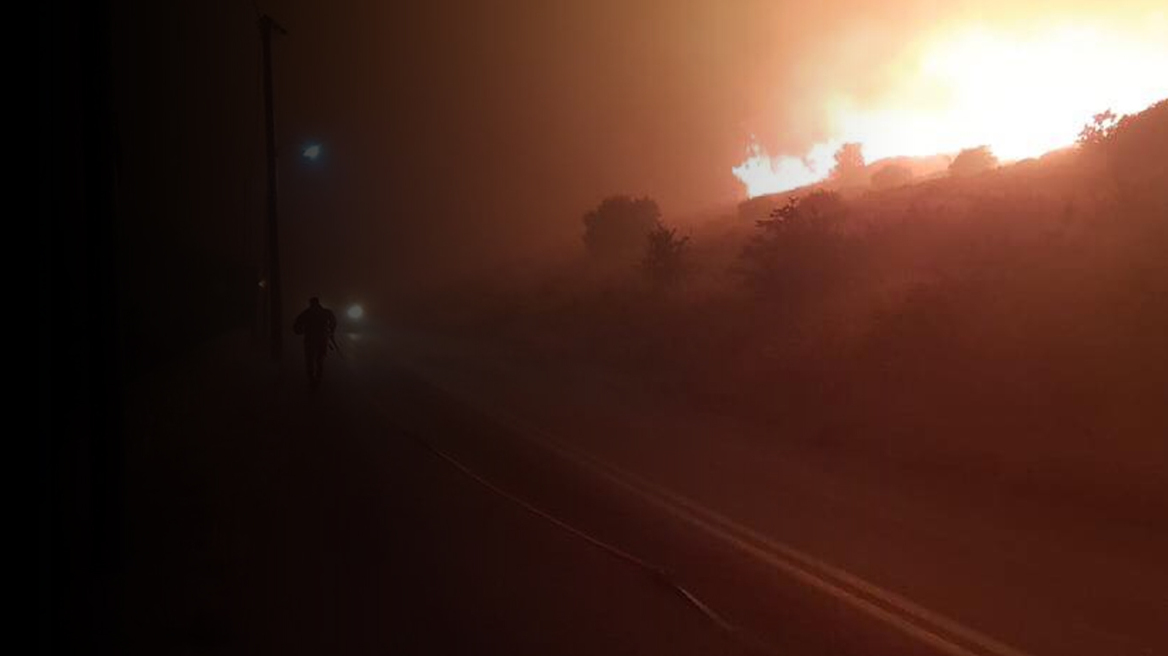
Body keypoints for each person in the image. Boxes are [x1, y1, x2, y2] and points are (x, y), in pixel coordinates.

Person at [292, 297, 337, 389]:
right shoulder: (325, 312)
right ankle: (318, 376)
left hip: (310, 338)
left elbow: (297, 324)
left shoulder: (307, 313)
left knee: (310, 359)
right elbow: (333, 321)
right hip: (322, 338)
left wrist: (300, 331)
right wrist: (331, 331)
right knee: (320, 359)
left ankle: (311, 378)